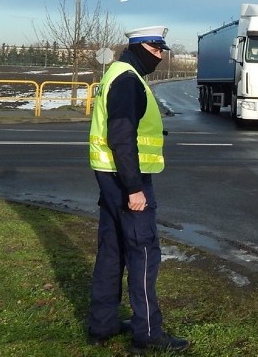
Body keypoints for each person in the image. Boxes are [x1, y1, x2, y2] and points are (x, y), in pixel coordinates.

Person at [87, 26, 191, 354]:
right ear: (140, 46)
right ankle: (147, 334)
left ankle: (101, 326)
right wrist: (134, 188)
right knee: (143, 252)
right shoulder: (129, 80)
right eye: (157, 49)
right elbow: (121, 135)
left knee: (111, 251)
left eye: (163, 50)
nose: (160, 55)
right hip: (127, 178)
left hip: (109, 175)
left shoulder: (118, 73)